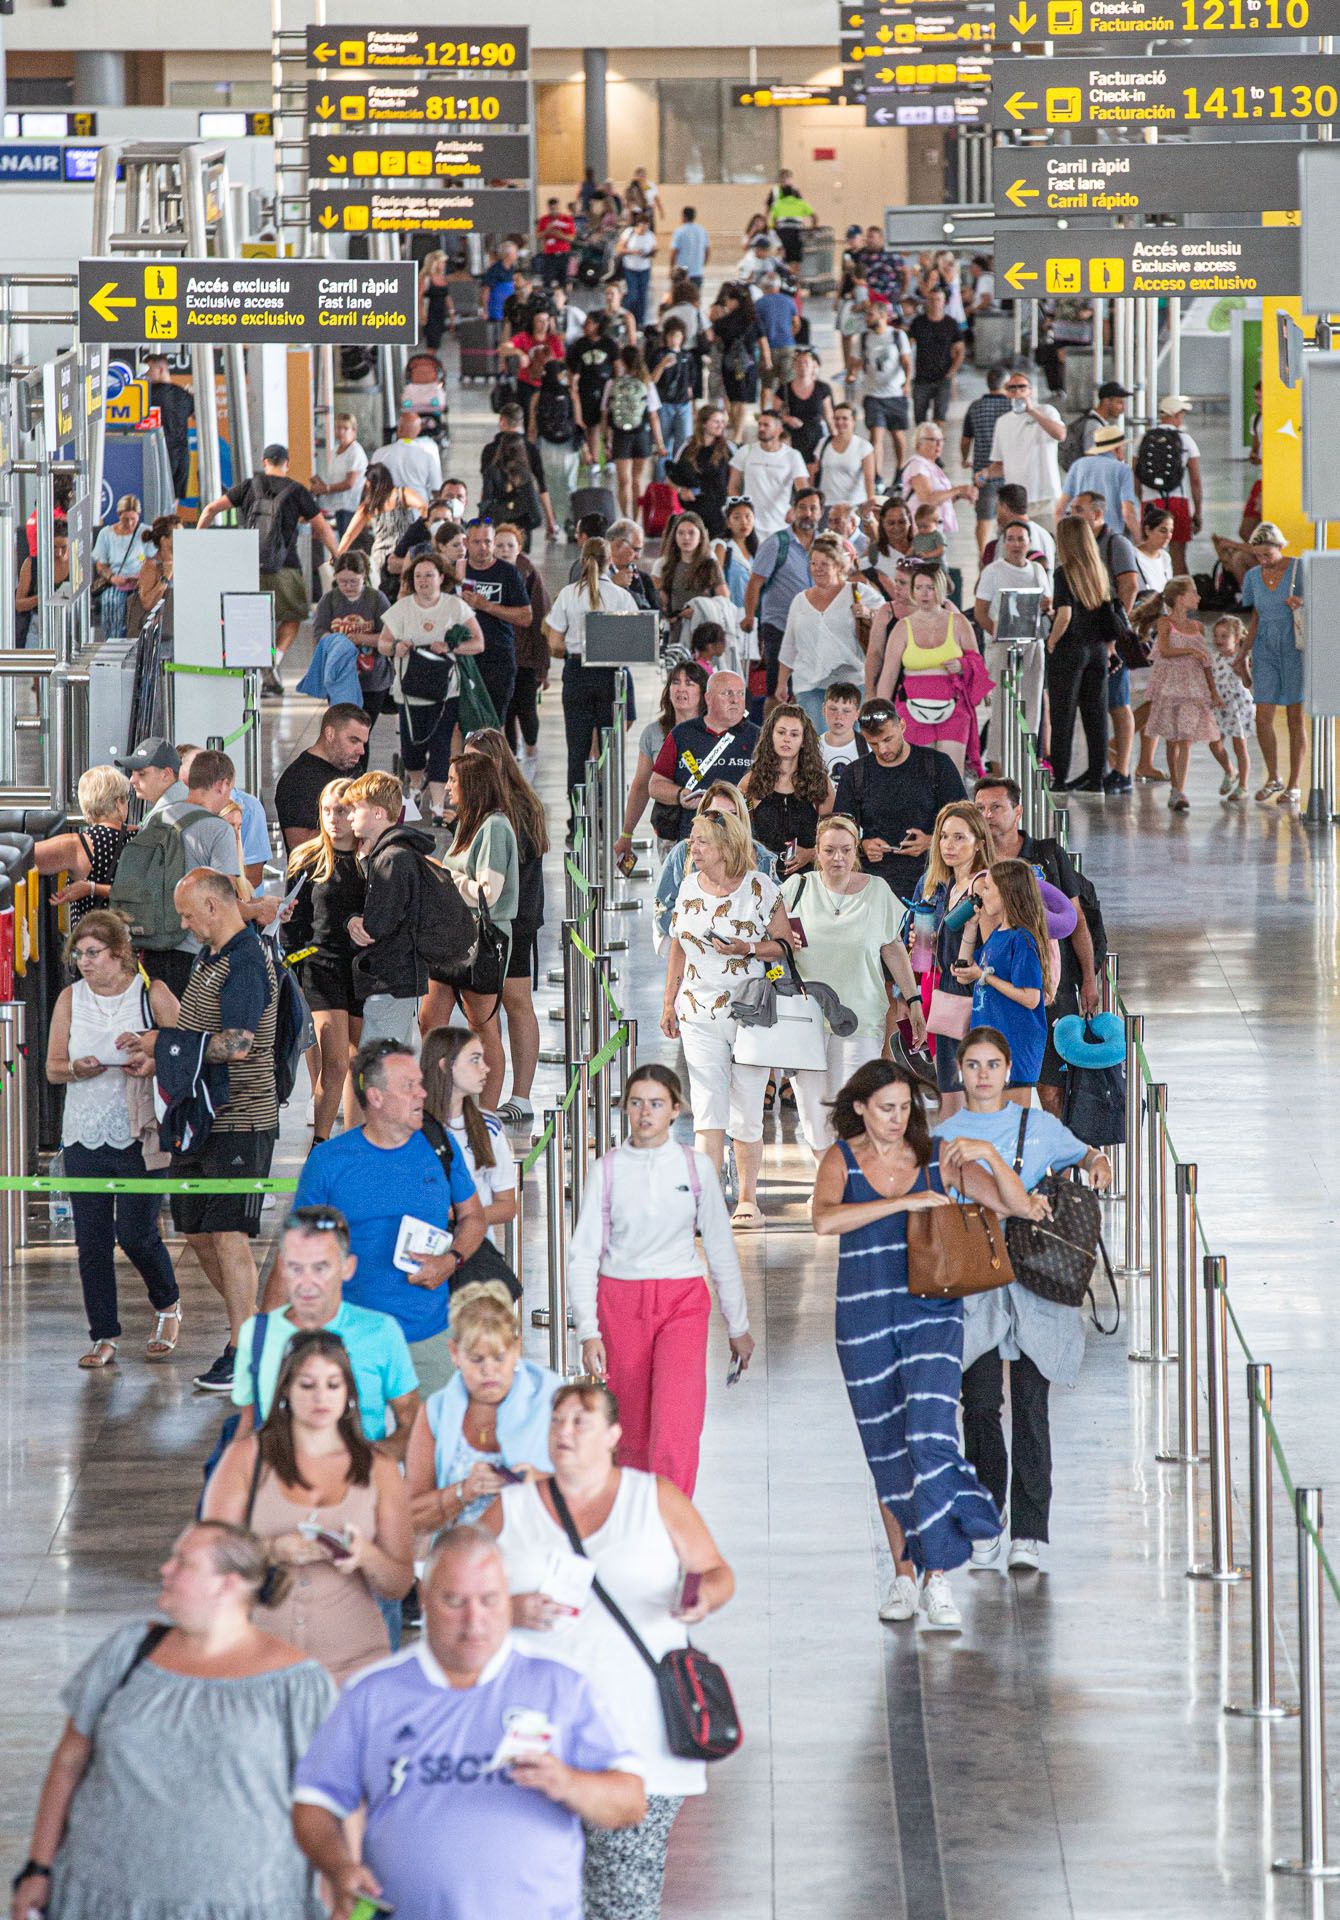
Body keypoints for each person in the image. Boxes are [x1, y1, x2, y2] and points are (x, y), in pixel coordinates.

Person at [292, 1530, 646, 1913]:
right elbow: (314, 1803)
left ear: (509, 1601)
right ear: (424, 1599)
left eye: (489, 1601)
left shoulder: (560, 1686)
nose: (473, 1620)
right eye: (454, 1601)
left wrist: (569, 1783)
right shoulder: (374, 1693)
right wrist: (339, 1866)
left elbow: (630, 1801)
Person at [485, 1383, 734, 1917]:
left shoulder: (655, 1498)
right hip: (539, 1736)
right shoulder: (511, 1509)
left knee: (624, 1902)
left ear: (614, 1436)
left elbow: (716, 1572)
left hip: (642, 1737)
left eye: (581, 1421)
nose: (565, 1432)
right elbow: (449, 1594)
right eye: (557, 1421)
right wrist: (510, 1609)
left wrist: (701, 1599)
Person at [13, 1522, 335, 1920]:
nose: (165, 1569)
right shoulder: (129, 1650)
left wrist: (339, 1887)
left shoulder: (299, 1684)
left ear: (227, 1585)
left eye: (183, 1562)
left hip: (244, 1903)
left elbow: (332, 1798)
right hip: (104, 1898)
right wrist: (38, 1868)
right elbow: (68, 1763)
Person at [811, 1060, 1036, 1628]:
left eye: (905, 1107)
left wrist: (985, 1155)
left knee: (929, 1434)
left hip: (932, 1312)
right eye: (886, 1108)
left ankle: (956, 1554)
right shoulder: (840, 1159)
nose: (897, 1118)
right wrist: (900, 1204)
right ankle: (906, 1576)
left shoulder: (937, 1157)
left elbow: (1013, 1204)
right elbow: (823, 1222)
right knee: (887, 1451)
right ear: (859, 1107)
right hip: (862, 1319)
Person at [935, 1028, 1111, 1574]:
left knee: (1032, 1408)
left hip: (1038, 1280)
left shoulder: (1038, 1125)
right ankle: (987, 1518)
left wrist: (1097, 1165)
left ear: (1008, 1070)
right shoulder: (945, 1133)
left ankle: (1029, 1533)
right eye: (973, 1064)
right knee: (981, 1405)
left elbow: (1087, 1155)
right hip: (975, 1277)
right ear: (959, 1072)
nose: (983, 1074)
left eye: (992, 1064)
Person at [115, 870, 279, 1393]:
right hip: (201, 1116)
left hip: (241, 1118)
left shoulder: (247, 961)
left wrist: (163, 1044)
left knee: (229, 1234)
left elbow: (237, 1043)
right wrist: (160, 1059)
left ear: (213, 906)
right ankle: (253, 1334)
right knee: (195, 1226)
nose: (183, 924)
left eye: (188, 914)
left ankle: (244, 1351)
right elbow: (198, 1033)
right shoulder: (212, 956)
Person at [565, 1063, 751, 1493]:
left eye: (655, 1104)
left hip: (682, 1301)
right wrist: (587, 1331)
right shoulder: (607, 1170)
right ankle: (635, 1531)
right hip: (620, 1302)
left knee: (676, 1427)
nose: (644, 1113)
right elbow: (583, 1253)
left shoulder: (695, 1169)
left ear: (675, 1110)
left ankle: (673, 1536)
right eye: (635, 1103)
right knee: (629, 1433)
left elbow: (721, 1248)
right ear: (625, 1108)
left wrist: (738, 1325)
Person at [203, 1332, 414, 1684]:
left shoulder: (380, 1468)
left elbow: (399, 1582)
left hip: (356, 1664)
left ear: (348, 1393)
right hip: (258, 1665)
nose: (321, 1398)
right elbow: (207, 1556)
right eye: (307, 1384)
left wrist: (365, 1556)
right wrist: (269, 1551)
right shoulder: (245, 1457)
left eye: (333, 1385)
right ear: (286, 1389)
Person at [294, 1039, 486, 1394]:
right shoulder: (329, 1163)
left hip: (428, 1341)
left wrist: (451, 1260)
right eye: (409, 1086)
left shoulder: (438, 1145)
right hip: (350, 1345)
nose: (422, 1094)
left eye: (420, 1083)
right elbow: (295, 1256)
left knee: (428, 1447)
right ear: (376, 1098)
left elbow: (473, 1216)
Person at [45, 910, 180, 1369]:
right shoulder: (70, 998)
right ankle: (104, 1333)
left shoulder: (152, 994)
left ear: (119, 953)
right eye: (78, 953)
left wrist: (150, 1051)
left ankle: (167, 1305)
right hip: (84, 1130)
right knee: (93, 1241)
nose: (84, 962)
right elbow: (52, 1067)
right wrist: (76, 1069)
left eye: (93, 953)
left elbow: (182, 1054)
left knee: (137, 1233)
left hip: (137, 1130)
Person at [660, 810, 794, 1226]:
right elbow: (679, 944)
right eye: (693, 840)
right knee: (707, 1110)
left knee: (747, 1109)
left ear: (727, 845)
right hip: (698, 1012)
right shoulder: (686, 886)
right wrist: (669, 1001)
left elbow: (786, 945)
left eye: (702, 841)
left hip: (750, 1012)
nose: (693, 848)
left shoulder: (759, 887)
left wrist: (748, 948)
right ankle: (707, 1202)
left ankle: (748, 1198)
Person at [783, 817, 923, 1153]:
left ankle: (852, 1180)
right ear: (817, 852)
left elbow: (893, 948)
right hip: (805, 1017)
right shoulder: (795, 889)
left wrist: (914, 999)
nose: (838, 858)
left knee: (855, 1102)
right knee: (812, 1108)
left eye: (846, 850)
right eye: (829, 850)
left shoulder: (877, 891)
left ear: (855, 851)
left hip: (861, 1016)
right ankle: (824, 1178)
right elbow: (771, 944)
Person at [236, 1206, 420, 1458]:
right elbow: (248, 1425)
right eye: (296, 1267)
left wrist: (366, 1464)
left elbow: (411, 1425)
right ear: (281, 1267)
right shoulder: (256, 1334)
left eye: (320, 1268)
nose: (307, 1282)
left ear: (348, 1267)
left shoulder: (380, 1332)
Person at [971, 775, 1102, 1117]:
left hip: (1052, 988)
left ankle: (1054, 1162)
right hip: (1000, 995)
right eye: (980, 808)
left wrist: (1089, 978)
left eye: (996, 807)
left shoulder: (1047, 854)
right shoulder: (974, 860)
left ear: (1018, 811)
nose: (987, 815)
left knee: (1051, 1088)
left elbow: (1075, 919)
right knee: (999, 1086)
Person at [406, 1280, 562, 1542]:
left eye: (499, 1357)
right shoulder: (437, 1411)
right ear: (455, 1353)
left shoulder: (552, 1400)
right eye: (476, 1359)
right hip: (460, 1559)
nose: (488, 1371)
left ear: (516, 1348)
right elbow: (412, 1516)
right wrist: (462, 1492)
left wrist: (537, 1483)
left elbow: (592, 1488)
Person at [460, 726, 549, 1125]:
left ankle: (521, 1094)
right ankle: (507, 1093)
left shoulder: (513, 811)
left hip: (512, 920)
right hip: (505, 918)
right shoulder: (507, 805)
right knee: (499, 1007)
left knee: (514, 1003)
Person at [197, 445, 338, 692]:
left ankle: (260, 671)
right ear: (287, 463)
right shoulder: (297, 491)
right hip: (286, 566)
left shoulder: (249, 486)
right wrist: (338, 556)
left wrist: (195, 543)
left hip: (249, 566)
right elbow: (323, 528)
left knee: (254, 618)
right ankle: (273, 658)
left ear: (264, 462)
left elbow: (210, 509)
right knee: (292, 617)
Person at [423, 755, 519, 1103]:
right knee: (429, 1020)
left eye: (452, 779)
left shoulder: (495, 827)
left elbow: (488, 894)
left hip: (481, 938)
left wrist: (441, 873)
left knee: (482, 1026)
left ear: (472, 785)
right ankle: (437, 1099)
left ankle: (487, 1113)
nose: (447, 786)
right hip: (449, 935)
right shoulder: (468, 823)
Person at [281, 779, 364, 1141]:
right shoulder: (307, 858)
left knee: (360, 1061)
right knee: (335, 1061)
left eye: (342, 810)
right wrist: (294, 972)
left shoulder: (371, 857)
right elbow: (292, 924)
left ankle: (355, 1142)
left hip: (362, 969)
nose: (334, 819)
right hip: (321, 966)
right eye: (328, 810)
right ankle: (321, 1141)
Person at [379, 548, 485, 821]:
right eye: (418, 576)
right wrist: (395, 646)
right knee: (411, 749)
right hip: (409, 691)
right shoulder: (401, 608)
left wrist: (451, 646)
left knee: (440, 745)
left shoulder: (455, 606)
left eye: (429, 575)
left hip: (445, 690)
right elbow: (382, 643)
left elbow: (478, 643)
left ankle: (439, 803)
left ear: (441, 577)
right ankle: (415, 784)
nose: (423, 581)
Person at [546, 537, 641, 834]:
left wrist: (577, 648)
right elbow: (635, 644)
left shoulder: (568, 595)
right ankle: (610, 816)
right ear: (610, 559)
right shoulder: (621, 596)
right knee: (609, 752)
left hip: (577, 674)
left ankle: (577, 821)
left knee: (577, 751)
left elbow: (554, 644)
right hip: (611, 676)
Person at [906, 801, 995, 1114]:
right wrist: (917, 942)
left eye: (960, 838)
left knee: (977, 1095)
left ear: (979, 843)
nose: (949, 845)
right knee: (949, 1095)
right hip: (942, 993)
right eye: (944, 837)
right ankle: (949, 1160)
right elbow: (919, 954)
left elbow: (995, 942)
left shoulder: (985, 885)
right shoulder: (931, 884)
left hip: (977, 996)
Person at [833, 699, 966, 898]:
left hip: (932, 879)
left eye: (888, 739)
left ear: (902, 726)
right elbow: (839, 829)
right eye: (874, 744)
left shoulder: (937, 765)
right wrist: (863, 845)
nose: (883, 750)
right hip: (875, 883)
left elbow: (965, 821)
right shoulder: (855, 773)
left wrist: (932, 841)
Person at [873, 565, 991, 776]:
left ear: (941, 589)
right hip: (911, 708)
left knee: (950, 774)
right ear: (913, 591)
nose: (925, 594)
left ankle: (952, 810)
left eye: (930, 588)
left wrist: (962, 665)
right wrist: (881, 715)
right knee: (917, 776)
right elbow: (888, 675)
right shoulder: (902, 627)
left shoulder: (959, 622)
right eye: (919, 588)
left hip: (953, 708)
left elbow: (977, 663)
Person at [953, 859, 1052, 1096]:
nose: (981, 894)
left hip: (1014, 1047)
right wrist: (970, 929)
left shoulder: (1022, 940)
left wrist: (985, 978)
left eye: (987, 889)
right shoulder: (997, 936)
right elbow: (965, 975)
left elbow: (1031, 998)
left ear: (1006, 894)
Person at [1045, 515, 1118, 793]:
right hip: (1098, 650)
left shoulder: (1065, 572)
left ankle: (1060, 778)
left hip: (1070, 650)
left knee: (1063, 716)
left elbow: (1064, 615)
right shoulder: (1098, 570)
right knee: (1096, 716)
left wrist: (1052, 641)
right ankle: (1097, 778)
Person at [649, 669, 761, 841]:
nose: (735, 700)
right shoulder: (682, 734)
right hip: (694, 836)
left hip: (742, 837)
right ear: (708, 698)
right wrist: (679, 795)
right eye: (727, 693)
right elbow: (656, 785)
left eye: (740, 693)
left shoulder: (758, 737)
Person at [1239, 520, 1306, 806]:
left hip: (1295, 648)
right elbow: (1255, 616)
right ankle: (1273, 776)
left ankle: (1294, 784)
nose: (1263, 560)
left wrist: (1303, 603)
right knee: (1262, 716)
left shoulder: (1299, 568)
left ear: (1280, 547)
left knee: (1294, 718)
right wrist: (1243, 653)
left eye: (1268, 554)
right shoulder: (1253, 576)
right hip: (1265, 648)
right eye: (1258, 555)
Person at [974, 518, 1052, 762]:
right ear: (1004, 542)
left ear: (1029, 542)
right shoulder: (993, 572)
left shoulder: (1038, 570)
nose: (1016, 544)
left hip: (1032, 644)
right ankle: (998, 762)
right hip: (1002, 646)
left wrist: (1046, 607)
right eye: (1011, 539)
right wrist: (998, 636)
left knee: (1031, 705)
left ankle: (1026, 759)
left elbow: (1046, 606)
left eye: (1021, 539)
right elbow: (980, 612)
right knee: (1002, 707)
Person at [775, 535, 869, 732]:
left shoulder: (858, 591)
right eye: (813, 563)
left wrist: (869, 613)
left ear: (837, 565)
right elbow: (789, 646)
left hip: (851, 683)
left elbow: (885, 620)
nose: (817, 568)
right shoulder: (800, 600)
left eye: (824, 564)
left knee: (851, 743)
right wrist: (782, 682)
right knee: (815, 745)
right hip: (809, 684)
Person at [742, 485, 822, 705]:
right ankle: (769, 737)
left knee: (807, 690)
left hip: (815, 628)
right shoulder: (776, 543)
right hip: (779, 626)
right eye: (803, 508)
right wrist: (750, 617)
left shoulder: (826, 544)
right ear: (793, 511)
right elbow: (754, 583)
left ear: (820, 512)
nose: (808, 513)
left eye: (813, 508)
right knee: (777, 690)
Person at [1145, 575, 1219, 813]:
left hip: (1192, 689)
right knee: (1173, 738)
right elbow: (1165, 650)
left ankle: (1180, 789)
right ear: (1180, 598)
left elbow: (1206, 661)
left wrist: (1213, 690)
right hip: (1170, 688)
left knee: (1186, 737)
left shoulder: (1197, 627)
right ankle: (1175, 788)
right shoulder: (1165, 623)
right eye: (1193, 592)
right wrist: (1191, 651)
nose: (1198, 597)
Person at [738, 701, 833, 877]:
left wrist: (811, 854)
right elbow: (739, 833)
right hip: (761, 878)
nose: (787, 739)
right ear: (770, 736)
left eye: (794, 734)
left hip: (809, 878)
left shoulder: (820, 782)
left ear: (804, 741)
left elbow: (835, 837)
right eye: (781, 732)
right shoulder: (750, 782)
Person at [460, 516, 533, 731]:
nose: (483, 548)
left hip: (497, 658)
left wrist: (487, 606)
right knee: (460, 723)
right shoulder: (457, 570)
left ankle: (495, 764)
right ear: (466, 543)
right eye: (476, 542)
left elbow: (526, 617)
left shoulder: (508, 573)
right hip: (464, 657)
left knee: (493, 724)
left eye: (487, 542)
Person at [33, 765, 132, 925]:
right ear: (119, 802)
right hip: (130, 940)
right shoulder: (140, 838)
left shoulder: (77, 845)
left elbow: (21, 857)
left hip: (89, 940)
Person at [275, 704, 372, 852]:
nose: (361, 751)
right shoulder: (297, 780)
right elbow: (300, 846)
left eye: (363, 743)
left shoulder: (352, 768)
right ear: (330, 734)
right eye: (353, 741)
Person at [307, 555, 391, 721]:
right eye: (342, 582)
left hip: (373, 678)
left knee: (362, 732)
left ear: (364, 576)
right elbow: (320, 632)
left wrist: (361, 638)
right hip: (339, 678)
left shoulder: (377, 599)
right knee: (346, 731)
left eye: (354, 581)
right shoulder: (329, 600)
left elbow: (389, 636)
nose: (348, 586)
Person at [335, 460, 428, 598]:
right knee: (407, 593)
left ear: (373, 482)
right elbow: (423, 507)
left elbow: (349, 534)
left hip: (380, 558)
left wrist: (336, 556)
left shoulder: (370, 505)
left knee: (384, 596)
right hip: (403, 554)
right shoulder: (401, 495)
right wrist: (422, 529)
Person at [986, 370, 1065, 528]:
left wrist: (1032, 411)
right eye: (1012, 388)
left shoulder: (1046, 411)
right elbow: (1001, 464)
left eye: (1022, 387)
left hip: (1045, 498)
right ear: (1007, 393)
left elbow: (1060, 434)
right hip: (1015, 502)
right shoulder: (1002, 422)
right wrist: (984, 475)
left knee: (1049, 547)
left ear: (1031, 390)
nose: (1017, 392)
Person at [1137, 394, 1202, 574]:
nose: (1182, 418)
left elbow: (1136, 475)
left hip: (1151, 503)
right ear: (1174, 414)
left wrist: (1140, 502)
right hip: (1178, 502)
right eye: (1181, 414)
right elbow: (1195, 480)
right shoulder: (1186, 440)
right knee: (1178, 556)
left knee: (1149, 553)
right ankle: (1182, 597)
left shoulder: (1143, 439)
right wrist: (1198, 511)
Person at [604, 343, 665, 521]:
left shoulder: (612, 383)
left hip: (620, 436)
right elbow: (654, 416)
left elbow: (605, 414)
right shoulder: (646, 383)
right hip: (642, 435)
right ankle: (637, 520)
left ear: (622, 361)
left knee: (624, 481)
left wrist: (605, 440)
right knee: (637, 480)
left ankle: (625, 516)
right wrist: (660, 444)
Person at [727, 410, 808, 540]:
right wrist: (740, 512)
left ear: (778, 429)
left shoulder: (792, 456)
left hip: (780, 524)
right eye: (759, 425)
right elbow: (732, 486)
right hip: (751, 526)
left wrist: (794, 510)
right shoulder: (746, 451)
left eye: (766, 425)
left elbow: (803, 490)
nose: (761, 428)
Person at [960, 367, 1011, 553]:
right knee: (1010, 515)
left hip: (982, 473)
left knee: (984, 518)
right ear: (1006, 384)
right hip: (1010, 471)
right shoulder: (1012, 406)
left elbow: (966, 439)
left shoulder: (975, 407)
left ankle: (983, 556)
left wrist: (965, 458)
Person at [899, 419, 976, 541]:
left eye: (941, 440)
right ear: (919, 443)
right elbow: (928, 499)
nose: (939, 444)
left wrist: (960, 495)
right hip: (922, 531)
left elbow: (939, 499)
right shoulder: (917, 466)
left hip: (935, 530)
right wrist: (958, 490)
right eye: (934, 440)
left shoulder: (931, 466)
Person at [1059, 422, 1139, 539]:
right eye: (1123, 447)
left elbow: (1059, 509)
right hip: (1111, 538)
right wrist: (1140, 540)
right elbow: (1127, 513)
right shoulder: (1123, 470)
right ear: (1116, 449)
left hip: (1081, 537)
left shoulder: (1078, 465)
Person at [1207, 613, 1255, 804]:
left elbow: (1248, 683)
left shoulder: (1240, 659)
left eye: (1224, 636)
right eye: (1217, 636)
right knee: (1214, 742)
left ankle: (1243, 785)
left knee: (1239, 746)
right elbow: (1210, 680)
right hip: (1219, 705)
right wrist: (1213, 695)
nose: (1219, 640)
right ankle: (1229, 770)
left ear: (1237, 639)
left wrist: (1243, 669)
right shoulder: (1214, 658)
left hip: (1237, 707)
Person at [667, 405, 734, 540]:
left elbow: (736, 480)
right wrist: (681, 491)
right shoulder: (688, 446)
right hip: (694, 511)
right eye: (716, 421)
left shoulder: (728, 448)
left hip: (719, 512)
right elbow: (671, 477)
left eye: (722, 422)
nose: (720, 425)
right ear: (704, 424)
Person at [711, 281, 768, 437]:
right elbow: (762, 340)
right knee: (742, 400)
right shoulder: (753, 319)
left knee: (734, 399)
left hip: (728, 364)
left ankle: (736, 430)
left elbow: (714, 340)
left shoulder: (725, 321)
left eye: (729, 299)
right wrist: (767, 360)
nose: (727, 303)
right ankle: (738, 434)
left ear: (736, 301)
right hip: (748, 364)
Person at [92, 494, 148, 637]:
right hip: (116, 582)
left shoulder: (145, 532)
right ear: (118, 515)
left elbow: (154, 559)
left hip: (141, 582)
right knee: (112, 601)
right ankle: (113, 640)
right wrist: (113, 578)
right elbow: (100, 565)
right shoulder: (106, 534)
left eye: (133, 520)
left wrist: (143, 577)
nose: (129, 524)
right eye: (125, 519)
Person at [568, 311, 618, 468]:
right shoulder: (579, 344)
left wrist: (617, 384)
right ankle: (593, 459)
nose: (585, 326)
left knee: (605, 423)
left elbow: (617, 366)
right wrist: (573, 385)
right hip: (585, 388)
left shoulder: (609, 344)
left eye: (588, 322)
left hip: (605, 388)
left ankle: (609, 455)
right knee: (590, 425)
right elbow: (572, 368)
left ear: (597, 325)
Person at [907, 286, 964, 424]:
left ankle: (936, 444)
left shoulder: (951, 324)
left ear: (944, 301)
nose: (934, 303)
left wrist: (952, 372)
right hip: (921, 378)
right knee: (920, 419)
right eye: (931, 299)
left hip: (943, 377)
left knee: (940, 417)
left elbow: (960, 350)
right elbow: (907, 348)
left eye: (938, 299)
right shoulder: (918, 323)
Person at [309, 412, 370, 537]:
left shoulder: (355, 452)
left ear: (353, 430)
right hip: (336, 506)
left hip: (350, 507)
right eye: (338, 428)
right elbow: (334, 480)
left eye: (345, 428)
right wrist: (320, 484)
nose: (341, 432)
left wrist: (325, 488)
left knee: (347, 545)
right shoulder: (335, 451)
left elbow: (349, 483)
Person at [145, 352, 195, 502]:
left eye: (148, 370)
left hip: (157, 454)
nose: (146, 374)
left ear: (160, 369)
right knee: (174, 500)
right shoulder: (184, 396)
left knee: (154, 499)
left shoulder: (145, 394)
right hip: (181, 456)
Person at [817, 401, 876, 512]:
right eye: (837, 418)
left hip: (854, 505)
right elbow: (815, 472)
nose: (840, 422)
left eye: (844, 419)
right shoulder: (823, 443)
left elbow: (869, 479)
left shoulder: (863, 446)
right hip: (827, 505)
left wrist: (870, 506)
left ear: (853, 421)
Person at [377, 407, 444, 501]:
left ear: (399, 429)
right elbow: (436, 488)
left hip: (387, 508)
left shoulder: (380, 453)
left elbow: (371, 483)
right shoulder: (427, 456)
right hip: (418, 508)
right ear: (418, 430)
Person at [818, 681, 865, 775]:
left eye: (846, 711)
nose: (839, 716)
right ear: (824, 710)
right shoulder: (813, 747)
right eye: (833, 709)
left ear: (857, 714)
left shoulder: (869, 748)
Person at [536, 196, 576, 286]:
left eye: (556, 208)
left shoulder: (567, 219)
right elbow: (538, 236)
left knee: (563, 280)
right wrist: (547, 230)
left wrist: (559, 235)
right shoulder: (544, 220)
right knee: (547, 279)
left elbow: (572, 238)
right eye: (552, 209)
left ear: (559, 207)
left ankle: (562, 298)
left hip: (563, 253)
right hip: (549, 254)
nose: (554, 211)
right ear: (549, 208)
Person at [671, 205, 711, 285]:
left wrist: (671, 268)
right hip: (697, 272)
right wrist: (702, 265)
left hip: (682, 273)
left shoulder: (679, 231)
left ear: (684, 217)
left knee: (681, 296)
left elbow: (674, 252)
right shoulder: (702, 231)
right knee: (695, 296)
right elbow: (707, 251)